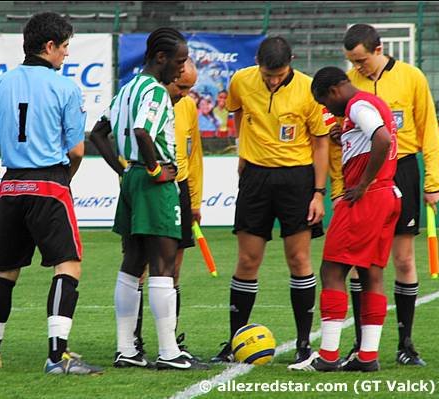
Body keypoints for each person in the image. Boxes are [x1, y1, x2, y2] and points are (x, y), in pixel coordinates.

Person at [0, 12, 102, 375]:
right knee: (68, 265)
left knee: (4, 272)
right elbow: (76, 152)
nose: (67, 54)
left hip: (11, 187)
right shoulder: (65, 87)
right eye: (65, 46)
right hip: (49, 185)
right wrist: (63, 183)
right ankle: (58, 356)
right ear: (50, 46)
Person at [90, 28, 207, 370]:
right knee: (163, 266)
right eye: (180, 61)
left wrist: (123, 170)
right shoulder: (155, 91)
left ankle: (126, 349)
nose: (181, 68)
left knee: (131, 265)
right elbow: (143, 131)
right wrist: (155, 170)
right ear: (161, 58)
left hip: (132, 180)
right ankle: (169, 352)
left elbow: (98, 132)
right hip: (155, 183)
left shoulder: (128, 89)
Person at [211, 37, 332, 365]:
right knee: (248, 261)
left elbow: (321, 142)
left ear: (290, 62)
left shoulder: (309, 89)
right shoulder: (241, 81)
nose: (273, 80)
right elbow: (237, 114)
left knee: (298, 260)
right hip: (255, 178)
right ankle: (235, 341)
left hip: (297, 180)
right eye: (268, 75)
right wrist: (243, 151)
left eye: (278, 75)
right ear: (257, 63)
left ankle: (305, 343)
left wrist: (319, 192)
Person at [334, 24, 439, 366]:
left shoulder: (412, 77)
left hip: (403, 170)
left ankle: (405, 344)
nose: (358, 67)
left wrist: (433, 180)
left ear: (379, 49)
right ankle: (359, 343)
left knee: (404, 259)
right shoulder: (349, 85)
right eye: (352, 61)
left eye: (362, 60)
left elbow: (428, 128)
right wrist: (340, 188)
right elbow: (338, 139)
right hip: (362, 176)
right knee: (357, 262)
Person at [289, 66, 401, 372]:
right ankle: (368, 357)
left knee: (332, 268)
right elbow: (375, 137)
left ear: (334, 91)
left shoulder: (358, 105)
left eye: (326, 102)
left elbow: (381, 139)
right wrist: (344, 136)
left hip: (369, 197)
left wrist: (362, 185)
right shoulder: (369, 103)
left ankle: (327, 356)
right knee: (371, 274)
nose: (328, 109)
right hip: (390, 194)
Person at [129, 59, 204, 358]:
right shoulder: (151, 97)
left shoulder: (187, 106)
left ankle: (170, 342)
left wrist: (195, 199)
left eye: (190, 89)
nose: (185, 93)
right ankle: (133, 340)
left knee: (173, 271)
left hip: (178, 188)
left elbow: (193, 151)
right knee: (138, 268)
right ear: (170, 75)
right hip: (150, 185)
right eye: (182, 86)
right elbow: (134, 138)